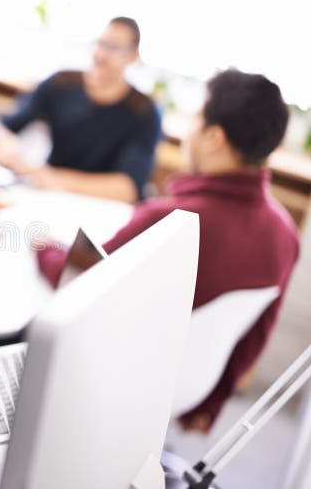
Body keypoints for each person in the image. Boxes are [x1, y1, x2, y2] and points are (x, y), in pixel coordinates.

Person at [36, 69, 299, 432]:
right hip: (186, 389)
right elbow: (256, 333)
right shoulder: (286, 234)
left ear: (213, 137)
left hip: (108, 379)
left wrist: (43, 247)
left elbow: (78, 282)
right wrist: (210, 404)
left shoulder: (172, 218)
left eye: (195, 119)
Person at [0, 17, 161, 203]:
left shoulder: (144, 112)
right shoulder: (61, 83)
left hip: (101, 210)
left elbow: (127, 189)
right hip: (48, 199)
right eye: (99, 43)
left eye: (113, 47)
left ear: (133, 56)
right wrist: (6, 148)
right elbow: (2, 128)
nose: (100, 55)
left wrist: (52, 177)